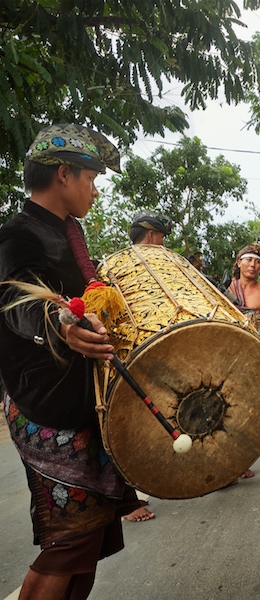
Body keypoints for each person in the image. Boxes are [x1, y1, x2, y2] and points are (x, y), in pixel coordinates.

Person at [0, 123, 140, 600]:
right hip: (46, 408)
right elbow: (20, 299)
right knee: (69, 541)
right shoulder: (16, 237)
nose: (97, 190)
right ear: (64, 174)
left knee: (89, 538)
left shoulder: (70, 235)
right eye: (92, 178)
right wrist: (61, 321)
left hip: (79, 403)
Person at [120, 212, 174, 522]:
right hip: (143, 353)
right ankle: (130, 501)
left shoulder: (117, 263)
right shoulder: (156, 263)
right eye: (162, 237)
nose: (162, 242)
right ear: (152, 237)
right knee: (137, 422)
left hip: (142, 351)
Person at [227, 242, 260, 479]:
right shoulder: (228, 289)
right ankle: (229, 461)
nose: (253, 265)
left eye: (257, 261)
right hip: (232, 355)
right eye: (248, 260)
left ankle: (244, 459)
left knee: (251, 409)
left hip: (257, 355)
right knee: (229, 407)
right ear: (239, 263)